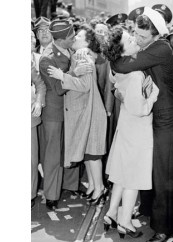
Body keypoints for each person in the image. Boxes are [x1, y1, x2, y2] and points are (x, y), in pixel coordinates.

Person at [110, 7, 173, 242]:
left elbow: (121, 66)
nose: (138, 40)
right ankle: (149, 214)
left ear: (155, 34)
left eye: (142, 36)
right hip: (156, 117)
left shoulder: (160, 48)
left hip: (168, 119)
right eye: (136, 35)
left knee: (164, 177)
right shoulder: (150, 47)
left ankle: (165, 229)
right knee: (152, 170)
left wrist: (114, 52)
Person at [101, 26, 159, 238]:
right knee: (134, 176)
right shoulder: (134, 74)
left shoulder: (118, 68)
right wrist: (154, 94)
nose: (134, 39)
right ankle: (125, 222)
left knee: (122, 172)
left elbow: (117, 89)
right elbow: (141, 109)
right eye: (129, 39)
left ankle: (112, 213)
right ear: (122, 49)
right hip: (137, 128)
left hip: (126, 124)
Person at [48, 24, 107, 206]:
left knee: (93, 154)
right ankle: (93, 186)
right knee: (89, 153)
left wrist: (62, 76)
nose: (75, 39)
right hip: (86, 111)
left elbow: (84, 86)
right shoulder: (80, 55)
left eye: (79, 37)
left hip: (90, 111)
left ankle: (99, 188)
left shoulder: (83, 55)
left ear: (87, 42)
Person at [39, 20, 76, 210]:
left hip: (72, 110)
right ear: (61, 40)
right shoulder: (47, 59)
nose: (75, 39)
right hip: (55, 112)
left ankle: (70, 185)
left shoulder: (73, 52)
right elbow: (59, 88)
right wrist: (74, 72)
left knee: (70, 148)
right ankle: (52, 194)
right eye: (71, 37)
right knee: (53, 154)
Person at [31, 31, 46, 209]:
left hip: (30, 119)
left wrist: (38, 101)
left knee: (31, 160)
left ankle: (31, 194)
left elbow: (40, 84)